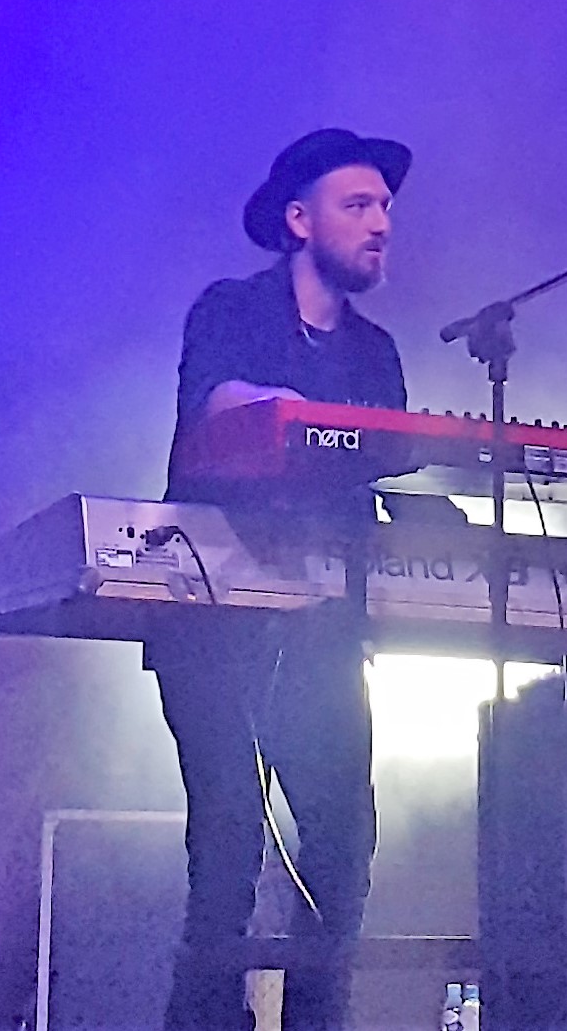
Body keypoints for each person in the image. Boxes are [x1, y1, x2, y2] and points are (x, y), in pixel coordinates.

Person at [150, 127, 412, 1031]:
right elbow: (222, 404)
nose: (380, 223)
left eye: (384, 207)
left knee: (341, 853)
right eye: (358, 204)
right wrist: (296, 415)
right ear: (299, 220)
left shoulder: (376, 352)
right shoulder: (231, 309)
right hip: (212, 622)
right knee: (226, 854)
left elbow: (388, 468)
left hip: (328, 630)